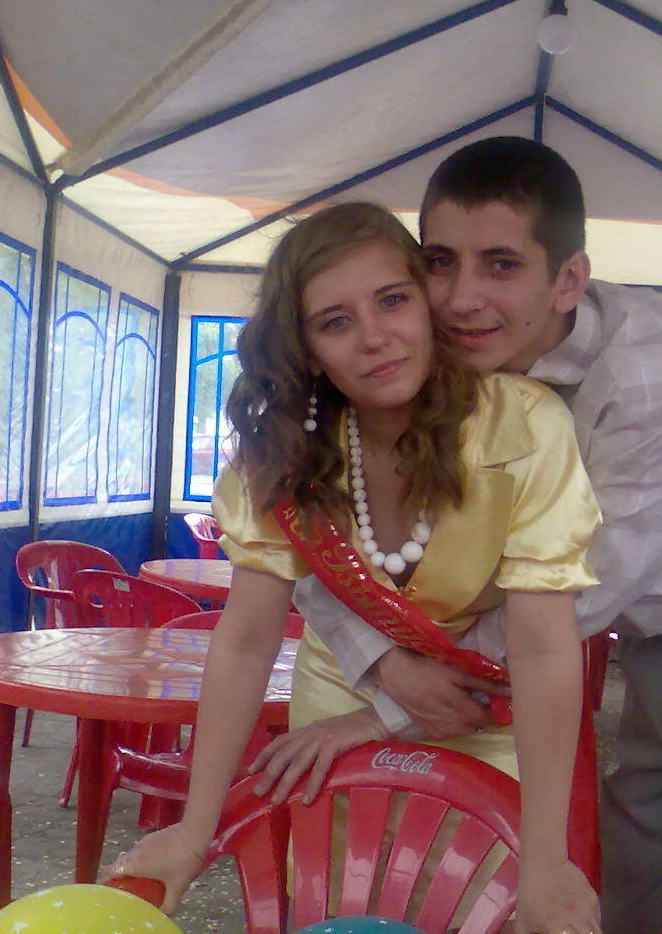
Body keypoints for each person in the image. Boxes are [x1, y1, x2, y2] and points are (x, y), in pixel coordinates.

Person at [306, 137, 662, 934]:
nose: (461, 299)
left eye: (501, 264)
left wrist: (388, 708)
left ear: (569, 280)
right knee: (634, 876)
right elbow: (313, 527)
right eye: (440, 262)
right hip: (651, 629)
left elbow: (568, 600)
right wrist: (383, 661)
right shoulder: (434, 358)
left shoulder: (657, 378)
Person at [104, 201, 602, 934]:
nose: (375, 337)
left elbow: (542, 647)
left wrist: (547, 861)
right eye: (335, 322)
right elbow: (245, 641)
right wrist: (194, 827)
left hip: (495, 718)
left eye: (393, 301)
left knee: (486, 907)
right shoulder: (280, 453)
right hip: (339, 697)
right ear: (306, 349)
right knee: (345, 902)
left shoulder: (524, 426)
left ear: (427, 304)